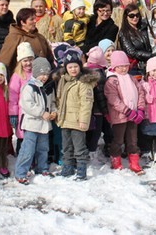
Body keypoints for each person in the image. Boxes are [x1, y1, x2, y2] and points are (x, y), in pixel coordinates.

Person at [55, 50, 97, 180]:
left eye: (75, 66)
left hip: (77, 121)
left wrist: (84, 121)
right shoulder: (64, 81)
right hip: (65, 120)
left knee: (79, 147)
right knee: (66, 146)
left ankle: (81, 170)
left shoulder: (83, 83)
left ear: (80, 66)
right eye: (70, 67)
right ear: (66, 68)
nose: (73, 69)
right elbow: (59, 99)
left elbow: (86, 103)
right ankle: (67, 168)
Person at [14, 57, 57, 184]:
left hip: (44, 125)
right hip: (32, 124)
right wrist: (41, 113)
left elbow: (53, 102)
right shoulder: (29, 87)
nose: (44, 77)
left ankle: (42, 168)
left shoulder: (48, 87)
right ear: (36, 73)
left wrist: (54, 111)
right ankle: (20, 172)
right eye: (42, 74)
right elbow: (27, 104)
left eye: (46, 74)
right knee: (28, 149)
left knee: (43, 148)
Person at [104, 51, 146, 174]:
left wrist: (140, 109)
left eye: (125, 66)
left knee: (133, 139)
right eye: (120, 66)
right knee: (118, 139)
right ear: (114, 67)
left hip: (134, 115)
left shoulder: (132, 79)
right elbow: (113, 99)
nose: (123, 68)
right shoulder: (112, 81)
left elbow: (141, 93)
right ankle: (115, 160)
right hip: (120, 116)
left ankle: (134, 162)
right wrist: (127, 111)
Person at [0, 8, 55, 76]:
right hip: (22, 78)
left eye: (35, 18)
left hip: (44, 78)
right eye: (31, 19)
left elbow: (50, 58)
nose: (35, 21)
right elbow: (5, 60)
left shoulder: (40, 37)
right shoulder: (14, 37)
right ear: (22, 22)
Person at [8, 42, 35, 155]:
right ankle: (21, 154)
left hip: (35, 111)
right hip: (22, 112)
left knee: (34, 135)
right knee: (23, 135)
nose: (28, 63)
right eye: (25, 60)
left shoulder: (36, 73)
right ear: (20, 62)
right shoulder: (17, 76)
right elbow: (12, 96)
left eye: (30, 59)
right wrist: (13, 113)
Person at [84, 46, 109, 161]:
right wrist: (105, 111)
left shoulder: (85, 71)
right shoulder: (99, 74)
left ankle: (88, 150)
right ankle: (92, 152)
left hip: (88, 109)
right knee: (96, 132)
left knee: (89, 131)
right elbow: (100, 95)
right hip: (98, 109)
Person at [117, 4, 153, 76]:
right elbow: (131, 52)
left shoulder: (144, 27)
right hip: (136, 67)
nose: (135, 18)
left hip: (150, 64)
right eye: (131, 16)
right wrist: (151, 55)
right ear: (126, 17)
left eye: (137, 15)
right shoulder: (124, 33)